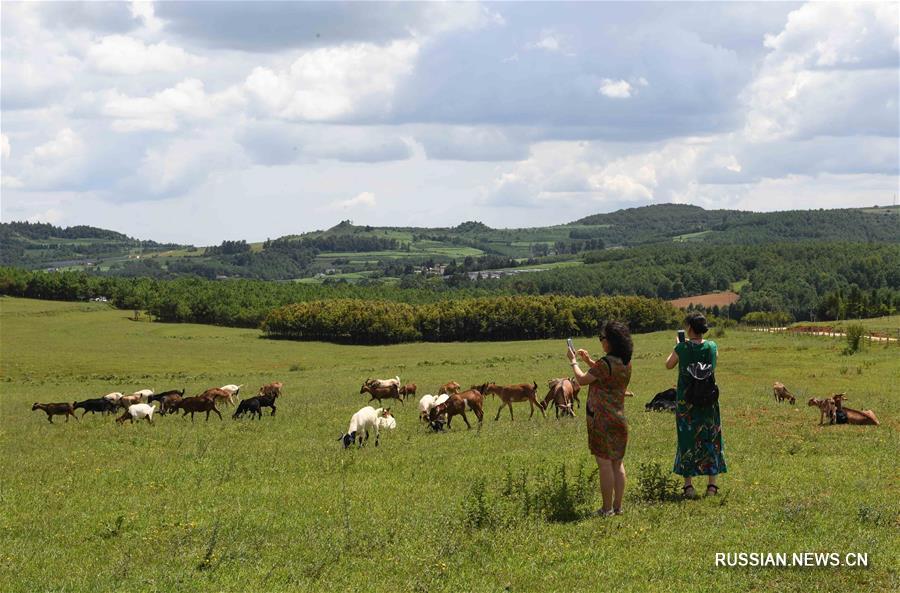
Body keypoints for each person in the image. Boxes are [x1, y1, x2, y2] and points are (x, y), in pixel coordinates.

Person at [567, 321, 633, 517]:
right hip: (619, 419)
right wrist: (589, 361)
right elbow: (605, 374)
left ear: (610, 342)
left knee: (604, 464)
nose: (601, 342)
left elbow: (582, 380)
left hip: (601, 420)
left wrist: (574, 361)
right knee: (617, 463)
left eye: (602, 338)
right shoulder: (625, 363)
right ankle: (618, 507)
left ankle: (606, 509)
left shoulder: (605, 364)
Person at [665, 312, 727, 498]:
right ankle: (712, 486)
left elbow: (668, 365)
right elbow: (713, 362)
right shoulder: (712, 346)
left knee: (687, 440)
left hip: (686, 403)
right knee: (711, 439)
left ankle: (688, 486)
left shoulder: (682, 348)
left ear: (690, 328)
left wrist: (678, 346)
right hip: (708, 401)